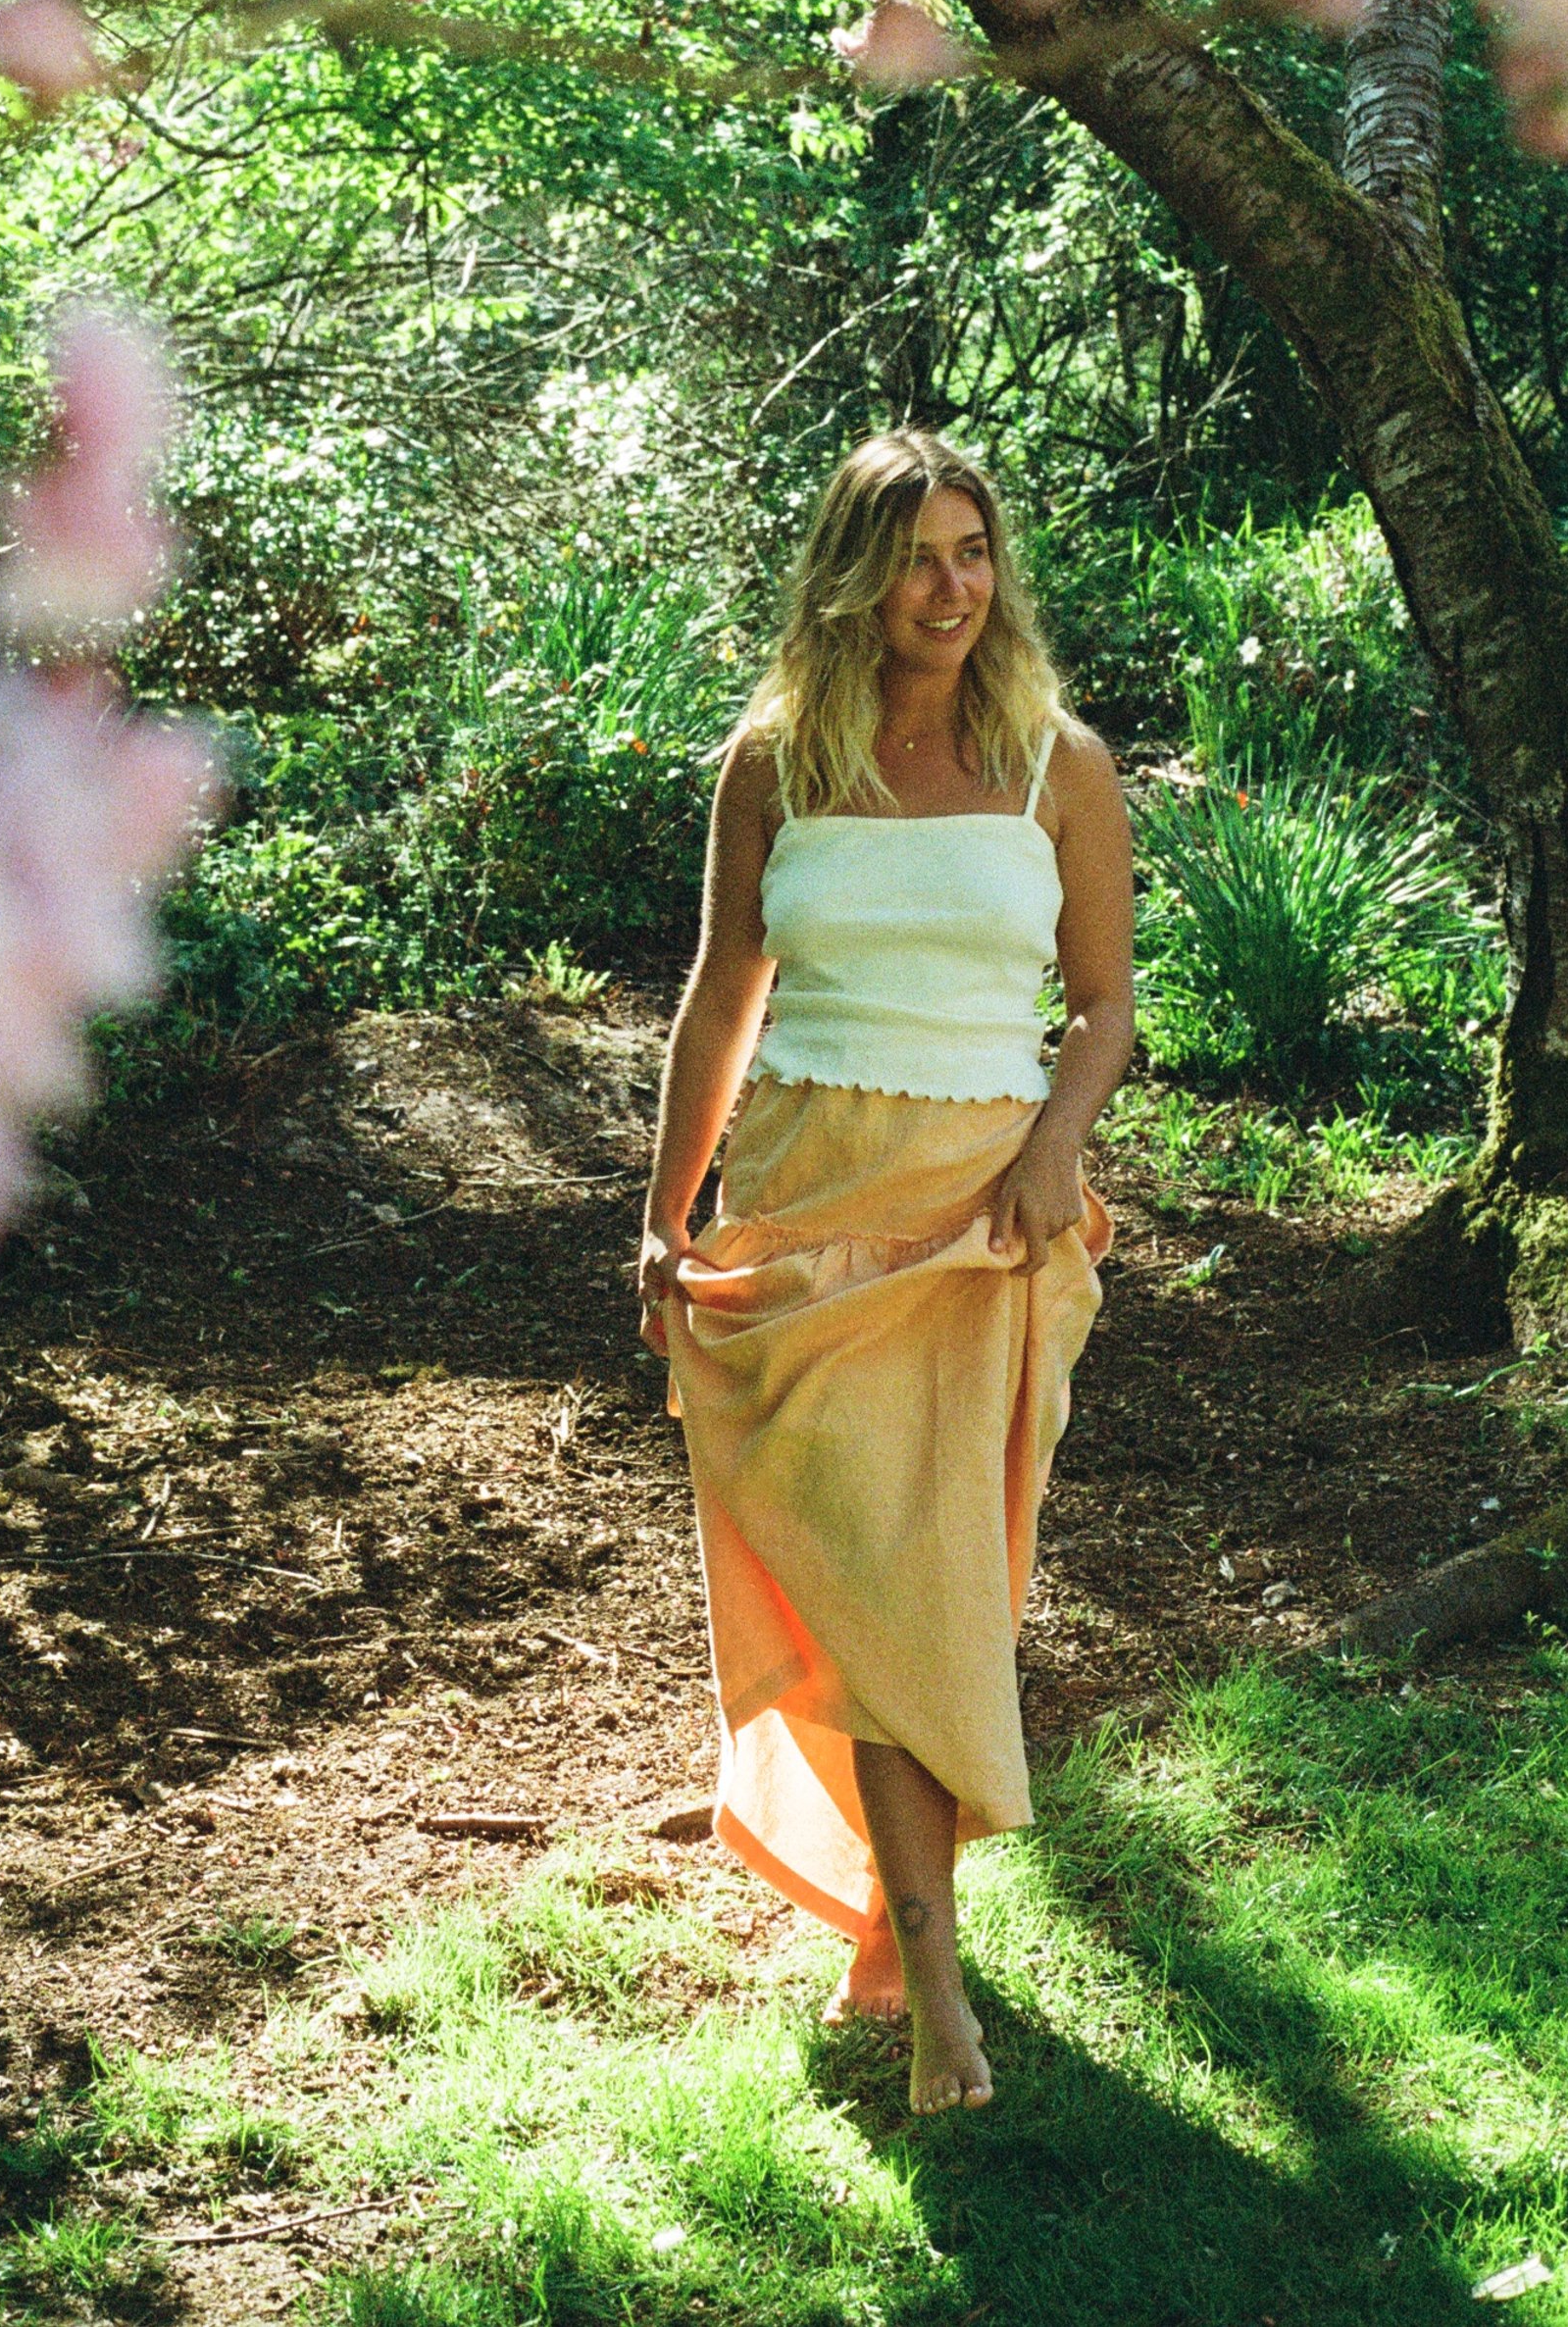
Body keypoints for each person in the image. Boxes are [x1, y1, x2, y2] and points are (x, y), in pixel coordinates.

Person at [638, 429, 1133, 2114]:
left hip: (985, 1218)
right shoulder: (772, 764)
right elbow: (723, 998)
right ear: (856, 573)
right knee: (872, 1585)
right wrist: (666, 1207)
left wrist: (1059, 1144)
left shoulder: (1057, 763)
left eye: (975, 552)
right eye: (920, 555)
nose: (952, 587)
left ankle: (895, 1935)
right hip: (802, 1207)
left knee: (938, 1592)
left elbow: (1107, 1008)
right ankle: (936, 1992)